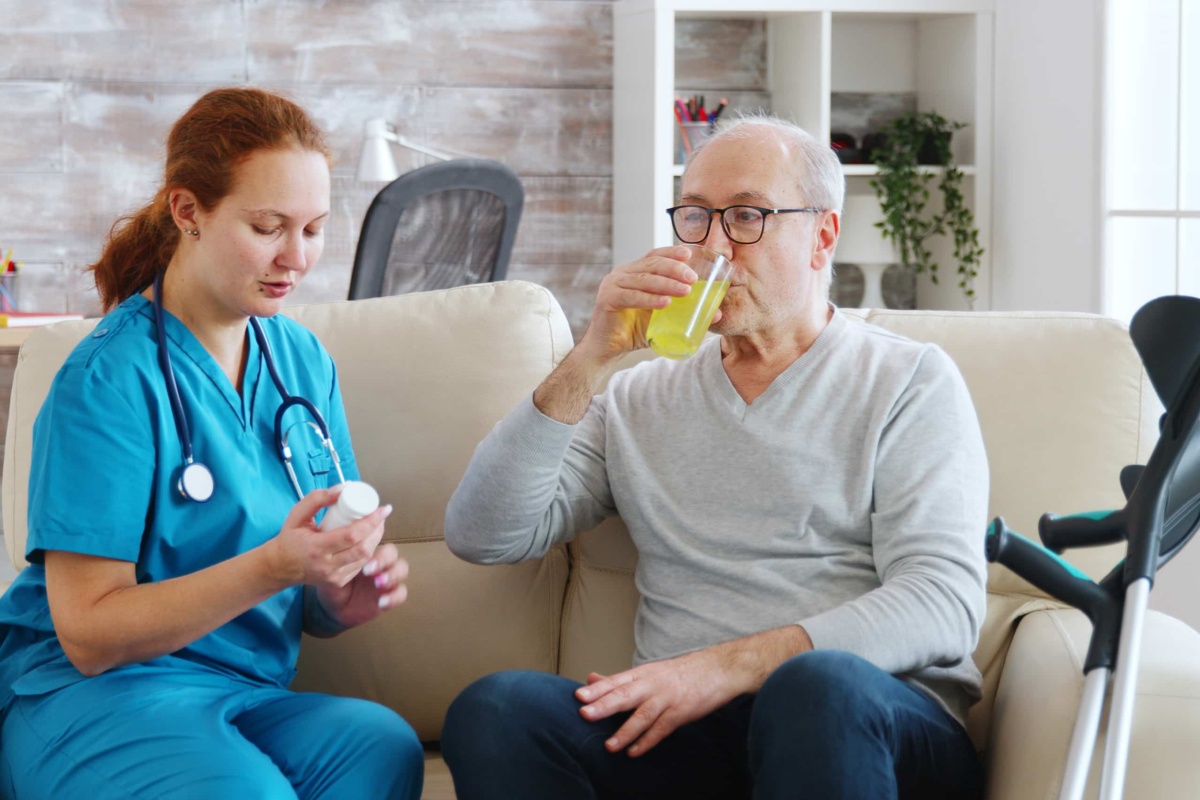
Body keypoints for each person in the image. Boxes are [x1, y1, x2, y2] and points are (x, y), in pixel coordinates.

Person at [440, 115, 989, 800]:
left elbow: (943, 604)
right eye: (696, 217)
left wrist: (725, 668)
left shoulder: (909, 381)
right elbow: (482, 534)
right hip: (693, 740)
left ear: (822, 237)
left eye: (748, 216)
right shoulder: (639, 396)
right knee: (496, 711)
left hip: (871, 723)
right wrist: (591, 358)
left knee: (817, 687)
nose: (714, 246)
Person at [0, 87, 423, 799]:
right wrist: (273, 567)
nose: (297, 257)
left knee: (381, 748)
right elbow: (90, 634)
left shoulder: (301, 362)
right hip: (92, 695)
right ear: (188, 211)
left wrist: (337, 596)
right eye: (268, 226)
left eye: (314, 229)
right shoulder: (108, 380)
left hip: (237, 690)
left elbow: (307, 571)